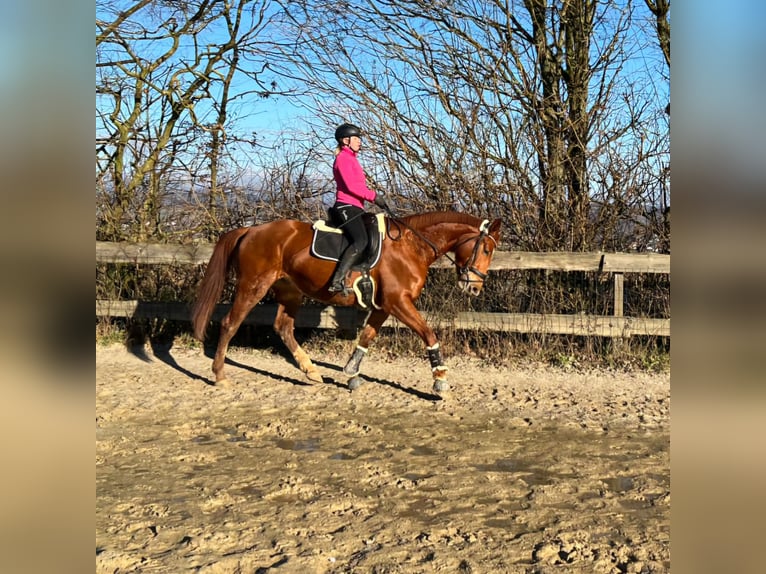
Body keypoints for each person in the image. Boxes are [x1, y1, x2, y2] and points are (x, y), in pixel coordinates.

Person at [327, 123, 390, 293]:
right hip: (346, 206)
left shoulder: (352, 158)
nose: (360, 142)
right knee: (360, 240)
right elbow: (351, 187)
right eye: (356, 138)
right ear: (345, 141)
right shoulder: (343, 159)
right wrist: (374, 197)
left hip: (356, 207)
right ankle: (337, 280)